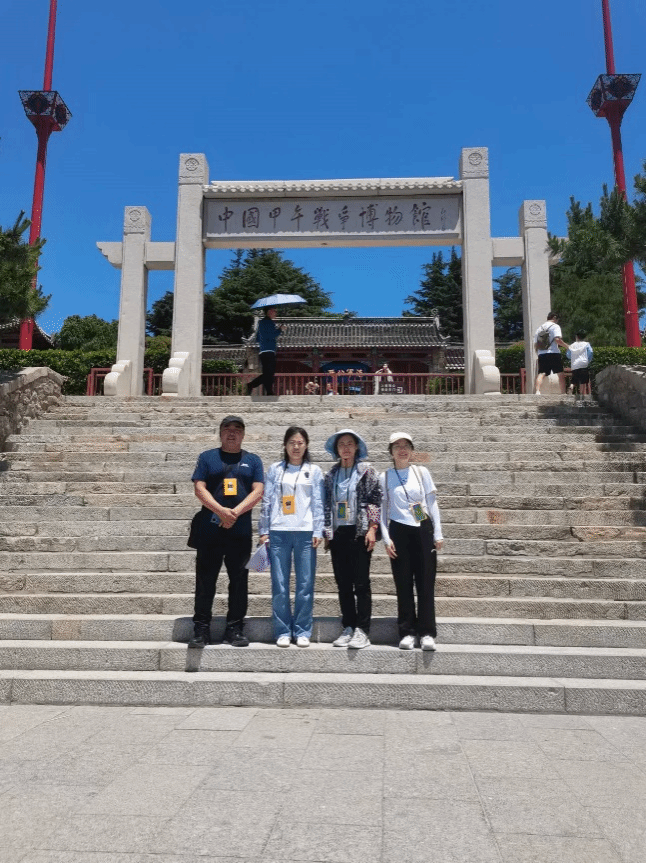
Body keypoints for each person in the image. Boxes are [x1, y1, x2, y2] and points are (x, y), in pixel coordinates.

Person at [188, 416, 264, 649]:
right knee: (205, 579)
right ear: (220, 433)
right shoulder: (207, 457)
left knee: (239, 580)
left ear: (243, 434)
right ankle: (201, 628)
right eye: (227, 429)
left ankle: (235, 628)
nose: (232, 433)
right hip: (210, 528)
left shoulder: (253, 460)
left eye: (237, 429)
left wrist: (235, 513)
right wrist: (221, 511)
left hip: (239, 531)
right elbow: (199, 487)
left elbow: (259, 490)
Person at [258, 426, 324, 647]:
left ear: (306, 445)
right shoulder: (275, 469)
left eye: (300, 443)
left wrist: (318, 530)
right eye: (292, 443)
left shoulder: (314, 470)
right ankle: (283, 631)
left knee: (305, 583)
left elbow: (318, 502)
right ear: (285, 445)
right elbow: (267, 501)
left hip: (305, 532)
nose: (296, 447)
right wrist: (263, 530)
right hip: (279, 531)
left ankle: (303, 630)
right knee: (280, 584)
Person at [380, 432, 444, 651]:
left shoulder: (421, 472)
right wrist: (386, 539)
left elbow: (432, 503)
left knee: (425, 582)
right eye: (397, 446)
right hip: (399, 530)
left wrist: (438, 533)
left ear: (412, 450)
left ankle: (426, 632)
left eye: (406, 445)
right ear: (391, 451)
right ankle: (407, 631)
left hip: (422, 528)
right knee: (403, 583)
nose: (402, 449)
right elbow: (383, 510)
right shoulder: (385, 476)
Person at [323, 429, 382, 649]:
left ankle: (363, 630)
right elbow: (327, 504)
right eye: (341, 444)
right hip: (339, 533)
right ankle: (348, 625)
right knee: (343, 583)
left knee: (361, 583)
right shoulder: (331, 474)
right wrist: (327, 532)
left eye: (350, 444)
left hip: (360, 532)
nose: (346, 448)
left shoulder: (366, 471)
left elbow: (375, 500)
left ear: (357, 447)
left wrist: (373, 528)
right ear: (336, 449)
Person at [247, 307, 282, 396]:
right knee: (269, 373)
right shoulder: (269, 322)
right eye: (275, 311)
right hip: (269, 350)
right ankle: (252, 385)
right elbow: (272, 335)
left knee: (268, 373)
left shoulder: (261, 323)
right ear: (269, 311)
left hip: (263, 351)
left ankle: (269, 391)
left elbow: (258, 338)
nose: (276, 313)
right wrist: (280, 329)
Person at [534, 311, 570, 395]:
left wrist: (539, 353)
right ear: (554, 318)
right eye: (557, 319)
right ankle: (563, 392)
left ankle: (537, 391)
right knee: (560, 373)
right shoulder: (555, 326)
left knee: (541, 373)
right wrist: (567, 346)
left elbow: (536, 344)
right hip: (553, 352)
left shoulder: (539, 328)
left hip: (542, 353)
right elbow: (557, 340)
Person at [567, 332, 593, 396]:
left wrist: (573, 358)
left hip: (575, 364)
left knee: (574, 378)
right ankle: (582, 394)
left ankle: (571, 386)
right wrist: (588, 360)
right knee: (583, 381)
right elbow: (590, 352)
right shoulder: (586, 344)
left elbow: (568, 355)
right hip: (584, 363)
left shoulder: (572, 345)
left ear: (577, 337)